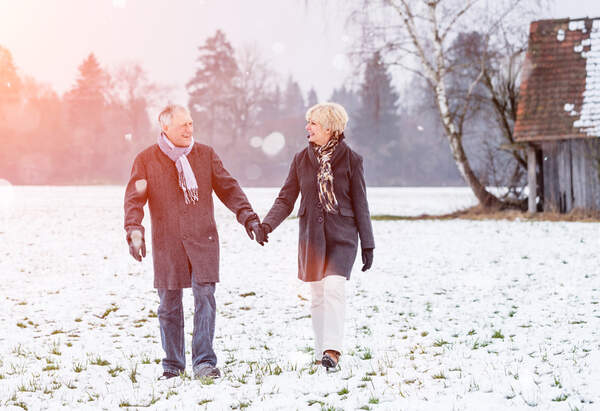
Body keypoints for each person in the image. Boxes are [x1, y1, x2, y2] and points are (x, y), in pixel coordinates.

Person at [124, 104, 266, 380]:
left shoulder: (205, 155)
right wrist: (134, 230)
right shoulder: (146, 160)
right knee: (169, 305)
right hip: (168, 243)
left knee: (205, 299)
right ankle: (172, 365)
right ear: (165, 128)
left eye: (190, 124)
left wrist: (247, 216)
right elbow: (134, 199)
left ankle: (203, 362)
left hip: (203, 240)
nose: (189, 130)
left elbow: (229, 188)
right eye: (182, 126)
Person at [261, 102, 374, 370]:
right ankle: (320, 350)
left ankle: (332, 351)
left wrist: (368, 244)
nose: (307, 128)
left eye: (312, 123)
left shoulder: (352, 160)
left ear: (329, 127)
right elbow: (286, 198)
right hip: (312, 236)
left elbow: (361, 204)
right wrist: (267, 225)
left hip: (343, 236)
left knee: (334, 287)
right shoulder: (301, 159)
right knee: (318, 294)